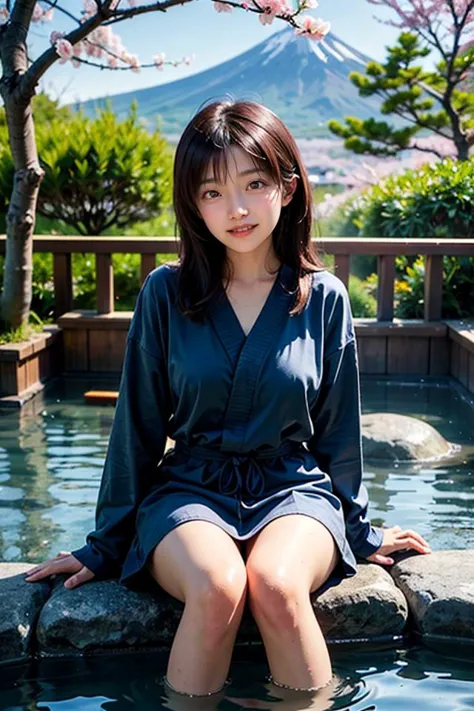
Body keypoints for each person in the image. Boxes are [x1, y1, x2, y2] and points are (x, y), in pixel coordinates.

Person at [25, 99, 431, 699]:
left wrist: (362, 532)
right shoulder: (165, 293)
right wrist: (105, 545)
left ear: (287, 188)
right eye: (212, 191)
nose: (236, 209)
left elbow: (339, 432)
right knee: (219, 587)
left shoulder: (324, 298)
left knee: (275, 584)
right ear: (192, 201)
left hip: (294, 488)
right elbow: (135, 426)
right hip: (188, 490)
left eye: (255, 183)